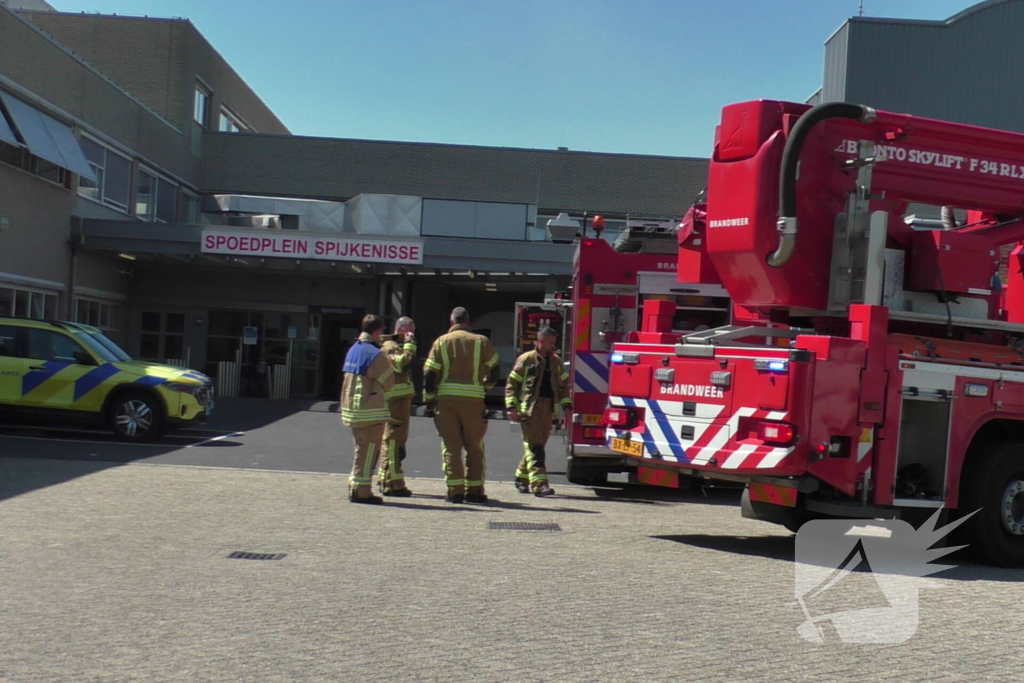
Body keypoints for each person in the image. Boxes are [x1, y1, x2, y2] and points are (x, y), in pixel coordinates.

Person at [423, 307, 500, 504]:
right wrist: (485, 387)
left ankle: (455, 491)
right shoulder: (482, 342)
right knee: (475, 446)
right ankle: (474, 491)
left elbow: (429, 375)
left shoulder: (441, 342)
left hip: (446, 402)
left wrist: (429, 400)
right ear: (468, 322)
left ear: (451, 322)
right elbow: (495, 369)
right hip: (474, 402)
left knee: (451, 447)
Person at [505, 327, 571, 497]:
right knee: (535, 448)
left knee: (538, 446)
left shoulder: (556, 362)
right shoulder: (526, 360)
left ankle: (521, 478)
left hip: (548, 409)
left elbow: (563, 386)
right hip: (530, 410)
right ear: (540, 341)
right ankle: (540, 485)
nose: (553, 346)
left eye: (554, 343)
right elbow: (512, 384)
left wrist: (567, 407)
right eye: (550, 342)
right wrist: (511, 407)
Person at [339, 314, 395, 505]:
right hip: (370, 413)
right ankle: (362, 491)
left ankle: (354, 485)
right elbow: (390, 382)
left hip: (352, 410)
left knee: (360, 450)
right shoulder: (375, 354)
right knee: (370, 450)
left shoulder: (354, 349)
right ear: (378, 331)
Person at [376, 316, 417, 497]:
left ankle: (388, 479)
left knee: (397, 443)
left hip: (401, 402)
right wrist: (410, 344)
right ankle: (391, 484)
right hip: (395, 403)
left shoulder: (395, 346)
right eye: (410, 331)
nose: (412, 334)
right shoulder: (390, 347)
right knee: (392, 443)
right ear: (401, 330)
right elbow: (400, 364)